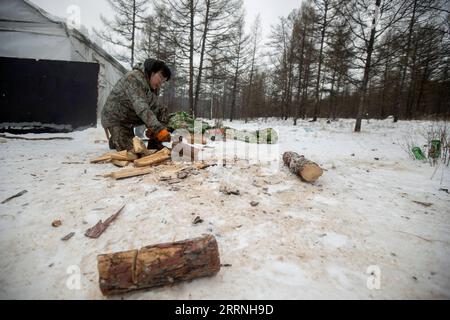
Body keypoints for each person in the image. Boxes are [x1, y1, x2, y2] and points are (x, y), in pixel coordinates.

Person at [101, 58, 172, 152]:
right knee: (134, 151)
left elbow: (155, 107)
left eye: (163, 81)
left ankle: (155, 144)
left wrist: (153, 129)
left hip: (130, 116)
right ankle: (116, 139)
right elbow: (142, 108)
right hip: (117, 120)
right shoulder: (134, 78)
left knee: (162, 110)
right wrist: (158, 129)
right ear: (152, 72)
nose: (160, 83)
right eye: (160, 78)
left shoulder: (151, 85)